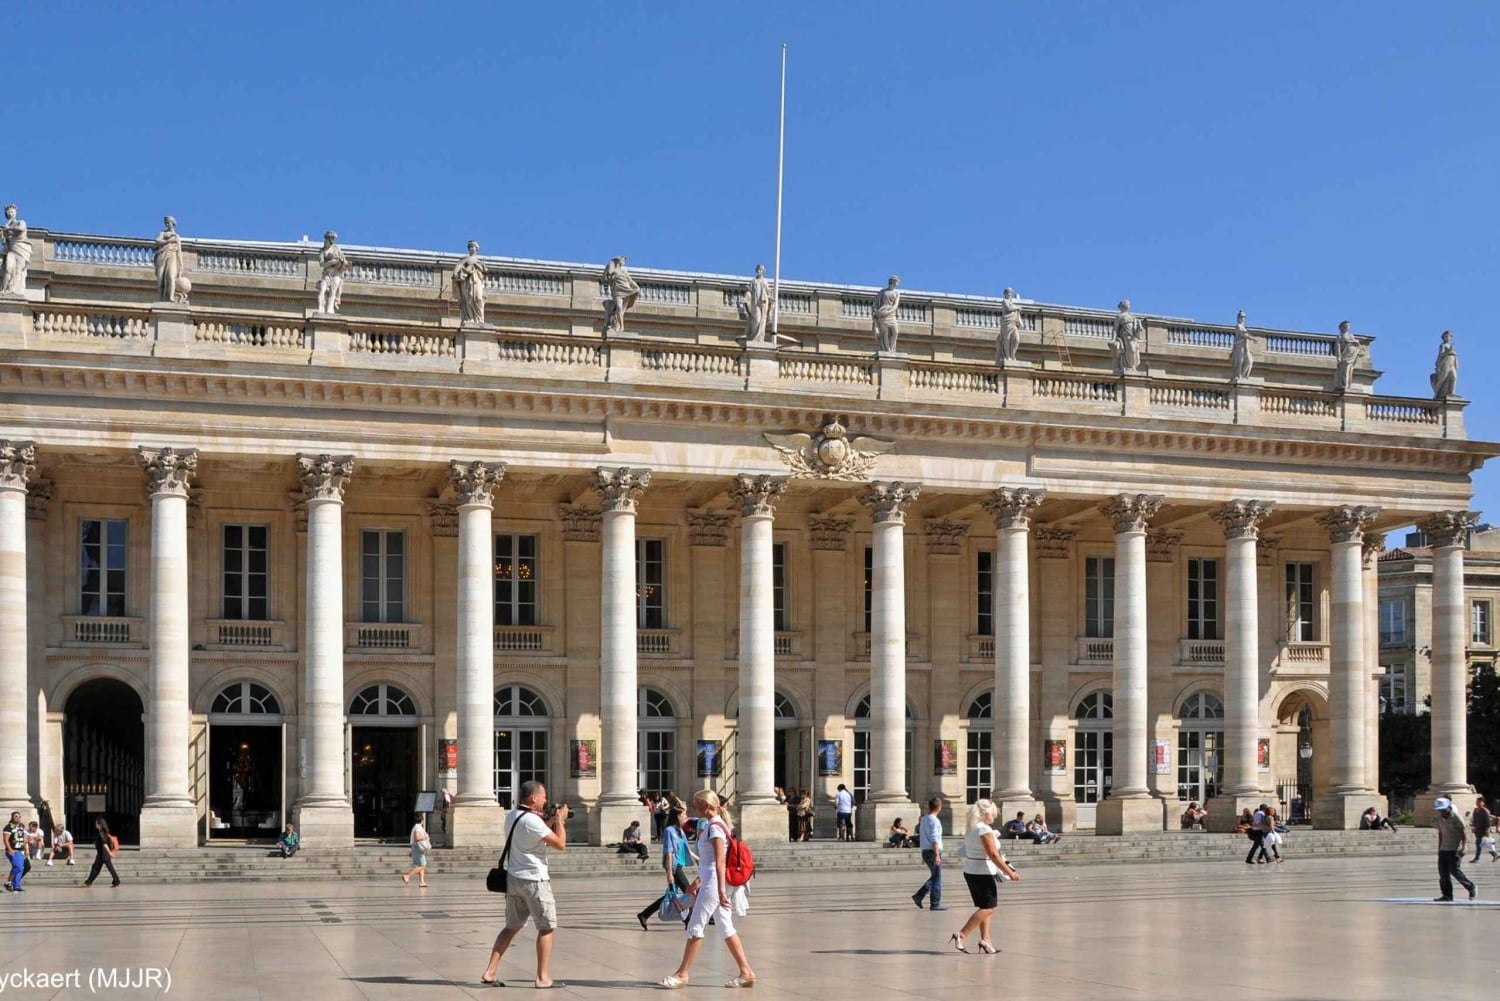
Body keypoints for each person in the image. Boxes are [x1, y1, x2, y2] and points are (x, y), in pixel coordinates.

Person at [656, 790, 756, 989]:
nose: (695, 808)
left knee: (695, 925)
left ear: (707, 807)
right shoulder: (712, 825)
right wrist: (699, 881)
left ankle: (682, 974)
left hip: (714, 883)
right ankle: (746, 972)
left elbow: (719, 862)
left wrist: (719, 890)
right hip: (710, 880)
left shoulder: (715, 828)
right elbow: (709, 861)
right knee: (725, 926)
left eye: (698, 805)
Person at [481, 782, 570, 989]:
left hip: (514, 879)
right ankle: (542, 977)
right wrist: (559, 821)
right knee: (546, 927)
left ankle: (490, 971)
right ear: (533, 799)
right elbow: (560, 844)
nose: (546, 800)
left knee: (512, 926)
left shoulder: (513, 816)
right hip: (534, 880)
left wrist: (549, 821)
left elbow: (534, 833)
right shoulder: (533, 821)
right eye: (543, 797)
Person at [951, 799, 1019, 954]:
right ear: (986, 813)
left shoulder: (972, 828)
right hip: (983, 871)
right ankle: (962, 934)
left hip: (971, 870)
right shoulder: (984, 829)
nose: (994, 818)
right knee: (990, 907)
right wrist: (1010, 872)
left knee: (984, 906)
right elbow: (994, 855)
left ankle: (986, 940)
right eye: (993, 815)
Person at [637, 805, 695, 930]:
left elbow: (686, 849)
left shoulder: (680, 831)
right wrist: (669, 872)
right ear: (678, 816)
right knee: (689, 892)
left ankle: (644, 914)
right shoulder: (669, 831)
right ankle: (689, 921)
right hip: (673, 866)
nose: (686, 817)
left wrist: (700, 859)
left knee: (671, 895)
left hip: (679, 864)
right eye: (684, 814)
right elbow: (668, 852)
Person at [1432, 796, 1476, 902]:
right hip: (1444, 848)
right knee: (1443, 874)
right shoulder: (1438, 818)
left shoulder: (1456, 817)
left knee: (1455, 871)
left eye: (1443, 809)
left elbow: (1463, 833)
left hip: (1454, 848)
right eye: (1439, 810)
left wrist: (1464, 846)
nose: (1441, 811)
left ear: (1448, 807)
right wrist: (1439, 848)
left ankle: (1471, 886)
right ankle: (1447, 895)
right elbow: (1440, 832)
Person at [911, 796, 946, 911]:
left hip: (925, 850)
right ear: (939, 807)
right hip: (932, 851)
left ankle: (919, 896)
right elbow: (934, 839)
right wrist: (936, 855)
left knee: (935, 876)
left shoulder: (924, 819)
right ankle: (935, 903)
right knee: (937, 878)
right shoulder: (934, 821)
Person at [601, 255, 640, 336]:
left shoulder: (624, 271)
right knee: (619, 307)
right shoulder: (612, 269)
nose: (623, 262)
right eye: (622, 260)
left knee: (622, 309)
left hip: (626, 289)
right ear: (618, 261)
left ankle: (620, 326)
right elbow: (606, 277)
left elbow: (630, 280)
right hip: (617, 291)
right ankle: (620, 326)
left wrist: (636, 287)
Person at [315, 231, 349, 314]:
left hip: (337, 273)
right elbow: (321, 264)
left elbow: (346, 262)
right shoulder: (322, 251)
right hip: (327, 273)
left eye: (334, 238)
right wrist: (332, 262)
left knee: (332, 292)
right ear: (328, 238)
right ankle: (321, 308)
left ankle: (330, 309)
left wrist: (341, 261)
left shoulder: (337, 249)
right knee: (322, 290)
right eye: (332, 238)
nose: (334, 240)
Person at [453, 240, 487, 325]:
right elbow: (457, 268)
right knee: (469, 298)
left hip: (477, 280)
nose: (472, 248)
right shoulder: (465, 259)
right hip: (468, 282)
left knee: (478, 298)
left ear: (477, 249)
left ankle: (479, 319)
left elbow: (485, 270)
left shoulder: (479, 261)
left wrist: (475, 264)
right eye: (470, 247)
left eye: (473, 246)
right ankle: (470, 318)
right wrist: (460, 272)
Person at [154, 215, 186, 303]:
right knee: (160, 280)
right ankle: (161, 298)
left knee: (171, 277)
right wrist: (168, 241)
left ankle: (171, 297)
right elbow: (157, 241)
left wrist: (181, 266)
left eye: (169, 223)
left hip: (172, 256)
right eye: (166, 223)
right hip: (162, 256)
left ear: (173, 223)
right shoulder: (163, 233)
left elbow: (179, 252)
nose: (168, 224)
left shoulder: (176, 236)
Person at [1, 203, 31, 296]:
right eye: (8, 212)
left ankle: (14, 290)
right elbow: (4, 243)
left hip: (22, 250)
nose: (10, 213)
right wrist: (2, 235)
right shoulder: (6, 227)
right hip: (11, 251)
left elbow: (21, 229)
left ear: (15, 213)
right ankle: (4, 289)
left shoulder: (20, 222)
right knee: (8, 268)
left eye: (12, 211)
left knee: (18, 270)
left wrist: (9, 228)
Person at [82, 818, 120, 888]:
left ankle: (89, 882)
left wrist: (109, 852)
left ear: (100, 824)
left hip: (103, 853)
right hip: (101, 853)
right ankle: (116, 881)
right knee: (106, 867)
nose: (95, 824)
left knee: (96, 868)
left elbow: (104, 843)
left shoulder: (101, 832)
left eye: (96, 823)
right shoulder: (104, 832)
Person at [1111, 299, 1144, 374]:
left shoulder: (1132, 316)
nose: (1129, 305)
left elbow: (1135, 329)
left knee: (1133, 350)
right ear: (1123, 306)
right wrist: (1113, 339)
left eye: (1129, 304)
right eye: (1127, 304)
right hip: (1125, 335)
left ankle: (1132, 366)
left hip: (1132, 336)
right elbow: (1115, 329)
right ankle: (1128, 366)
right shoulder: (1119, 316)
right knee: (1130, 350)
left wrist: (1139, 328)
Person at [742, 264, 772, 344]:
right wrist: (746, 297)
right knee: (757, 319)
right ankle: (754, 337)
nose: (759, 271)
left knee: (762, 320)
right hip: (755, 303)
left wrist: (771, 300)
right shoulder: (753, 281)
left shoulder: (765, 282)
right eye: (758, 269)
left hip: (763, 302)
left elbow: (768, 292)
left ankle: (760, 338)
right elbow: (749, 291)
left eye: (761, 270)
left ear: (763, 272)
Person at [871, 275, 901, 352]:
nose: (898, 283)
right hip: (882, 313)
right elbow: (877, 303)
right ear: (893, 282)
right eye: (897, 282)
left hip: (890, 314)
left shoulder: (897, 293)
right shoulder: (882, 292)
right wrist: (878, 313)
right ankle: (887, 350)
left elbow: (895, 305)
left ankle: (892, 348)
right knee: (885, 334)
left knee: (895, 332)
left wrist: (888, 312)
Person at [402, 815, 431, 887]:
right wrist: (426, 837)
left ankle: (422, 882)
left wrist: (412, 851)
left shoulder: (416, 827)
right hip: (418, 847)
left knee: (421, 865)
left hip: (416, 847)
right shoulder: (418, 827)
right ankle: (407, 876)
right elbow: (417, 837)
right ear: (422, 820)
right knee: (423, 865)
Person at [1333, 320, 1361, 392]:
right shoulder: (1339, 337)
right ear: (1342, 327)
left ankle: (1347, 385)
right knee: (1344, 370)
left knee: (1349, 370)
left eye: (1348, 326)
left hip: (1352, 354)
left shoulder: (1351, 336)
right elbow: (1338, 348)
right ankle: (1344, 384)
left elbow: (1357, 343)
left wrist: (1356, 343)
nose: (1347, 327)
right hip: (1345, 355)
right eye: (1346, 326)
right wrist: (1339, 358)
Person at [1430, 330, 1459, 398]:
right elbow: (1441, 354)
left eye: (1449, 336)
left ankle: (1452, 393)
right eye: (1446, 336)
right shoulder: (1443, 345)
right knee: (1443, 377)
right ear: (1443, 337)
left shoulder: (1451, 345)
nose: (1448, 337)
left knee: (1454, 377)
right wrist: (1449, 351)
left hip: (1452, 362)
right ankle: (1437, 392)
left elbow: (1455, 356)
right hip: (1446, 362)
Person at [1230, 310, 1255, 382]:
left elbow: (1245, 334)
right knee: (1240, 361)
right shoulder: (1238, 326)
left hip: (1245, 347)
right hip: (1239, 346)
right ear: (1238, 318)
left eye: (1243, 317)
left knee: (1249, 361)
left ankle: (1243, 376)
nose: (1242, 318)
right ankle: (1238, 375)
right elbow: (1243, 334)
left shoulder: (1243, 327)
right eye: (1241, 317)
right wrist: (1253, 339)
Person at [1471, 796, 1498, 864]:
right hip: (1477, 830)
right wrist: (1473, 827)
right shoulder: (1475, 810)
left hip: (1483, 830)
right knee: (1484, 844)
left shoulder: (1485, 811)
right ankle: (1495, 854)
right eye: (1477, 802)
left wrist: (1487, 830)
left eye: (1479, 802)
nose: (1478, 803)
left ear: (1483, 803)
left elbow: (1487, 822)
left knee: (1479, 844)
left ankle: (1477, 859)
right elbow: (1474, 820)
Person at [2, 812, 24, 892]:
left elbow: (20, 838)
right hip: (13, 850)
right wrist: (10, 849)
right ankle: (8, 882)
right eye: (16, 816)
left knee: (20, 868)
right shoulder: (8, 827)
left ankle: (16, 886)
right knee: (18, 867)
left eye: (19, 817)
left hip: (21, 850)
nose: (18, 818)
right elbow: (5, 839)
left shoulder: (21, 827)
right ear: (12, 818)